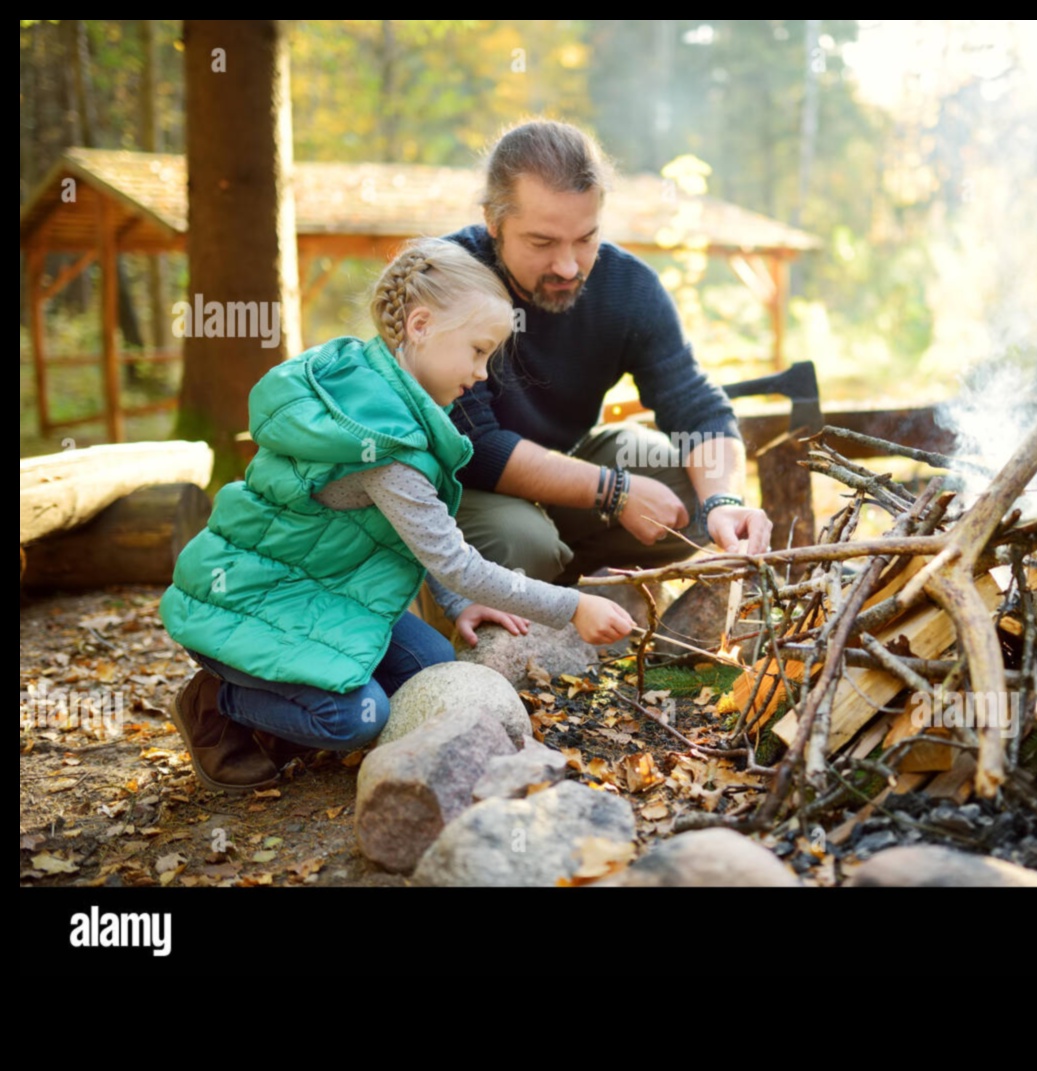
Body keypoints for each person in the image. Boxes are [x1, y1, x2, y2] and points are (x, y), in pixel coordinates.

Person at [158, 238, 636, 793]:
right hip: (248, 600)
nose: (483, 373)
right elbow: (454, 561)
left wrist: (457, 604)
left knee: (429, 665)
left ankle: (279, 708)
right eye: (477, 351)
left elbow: (414, 534)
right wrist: (572, 606)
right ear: (421, 325)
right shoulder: (382, 444)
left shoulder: (377, 391)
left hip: (318, 587)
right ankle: (217, 702)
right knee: (354, 720)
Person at [445, 119, 773, 586]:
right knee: (522, 542)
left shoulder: (628, 287)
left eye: (585, 239)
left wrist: (724, 502)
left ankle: (573, 585)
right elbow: (474, 447)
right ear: (493, 221)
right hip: (459, 487)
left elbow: (697, 406)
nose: (568, 266)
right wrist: (614, 491)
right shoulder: (447, 280)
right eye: (542, 242)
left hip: (565, 463)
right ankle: (496, 594)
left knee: (689, 494)